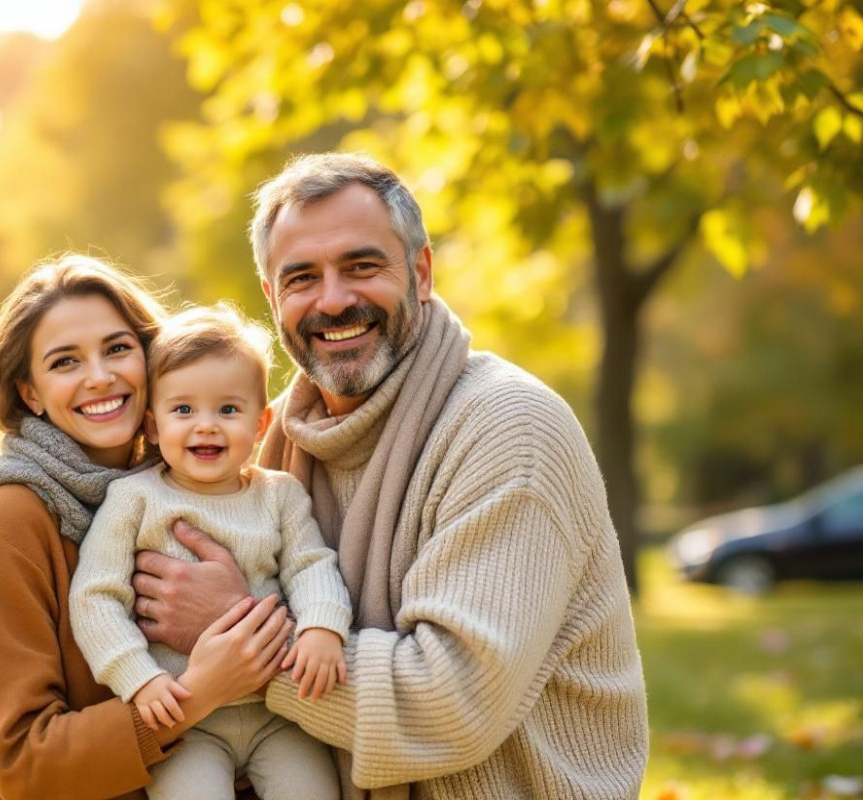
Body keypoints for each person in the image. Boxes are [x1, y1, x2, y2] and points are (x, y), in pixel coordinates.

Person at [131, 154, 650, 799]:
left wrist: (238, 633)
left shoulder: (509, 430)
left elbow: (451, 701)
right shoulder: (271, 444)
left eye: (362, 266)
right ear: (273, 299)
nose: (333, 300)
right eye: (301, 278)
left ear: (421, 272)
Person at [0, 255, 296, 800]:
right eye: (64, 363)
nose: (100, 377)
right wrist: (196, 694)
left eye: (117, 348)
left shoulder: (189, 488)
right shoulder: (10, 520)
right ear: (30, 393)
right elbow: (22, 761)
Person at [71, 303, 351, 800]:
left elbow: (312, 565)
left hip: (278, 716)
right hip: (186, 719)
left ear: (261, 424)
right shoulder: (135, 499)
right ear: (153, 426)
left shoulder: (279, 495)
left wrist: (322, 626)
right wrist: (138, 679)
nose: (206, 426)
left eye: (228, 409)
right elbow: (95, 597)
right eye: (183, 410)